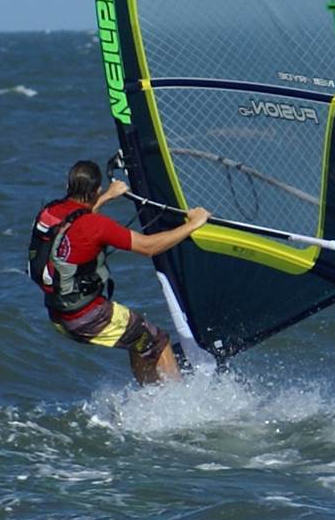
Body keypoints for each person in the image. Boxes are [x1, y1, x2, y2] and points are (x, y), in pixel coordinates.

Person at [28, 160, 208, 386]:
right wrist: (193, 224)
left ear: (68, 187)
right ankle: (181, 397)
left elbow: (77, 219)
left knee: (138, 339)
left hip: (58, 315)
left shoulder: (48, 213)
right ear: (96, 190)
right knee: (157, 340)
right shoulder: (97, 226)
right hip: (87, 317)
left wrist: (108, 196)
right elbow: (149, 247)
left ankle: (151, 397)